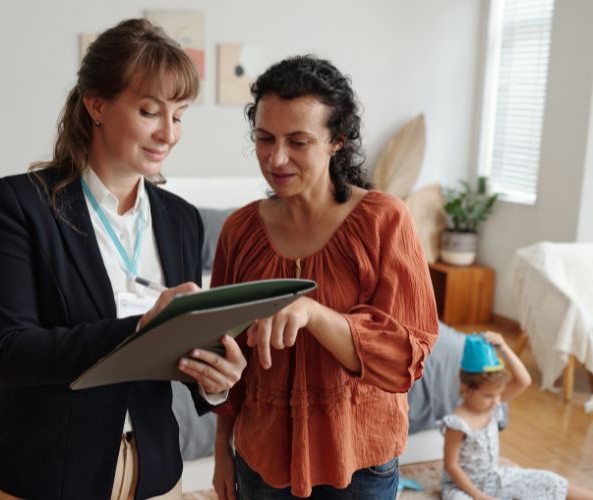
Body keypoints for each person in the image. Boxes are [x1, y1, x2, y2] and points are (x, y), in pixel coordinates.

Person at [0, 19, 246, 500]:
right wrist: (139, 330)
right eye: (149, 111)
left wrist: (214, 380)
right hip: (48, 472)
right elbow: (11, 352)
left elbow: (179, 355)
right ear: (96, 105)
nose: (168, 133)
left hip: (157, 474)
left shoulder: (181, 219)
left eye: (179, 116)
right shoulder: (19, 204)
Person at [211, 55, 439, 499]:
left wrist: (312, 313)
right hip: (259, 460)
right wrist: (223, 448)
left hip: (360, 462)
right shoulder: (239, 231)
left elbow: (403, 358)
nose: (276, 158)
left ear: (338, 140)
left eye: (298, 141)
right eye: (264, 138)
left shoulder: (385, 220)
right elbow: (226, 352)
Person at [442, 332, 593, 500]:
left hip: (495, 478)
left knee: (547, 480)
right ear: (466, 390)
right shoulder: (457, 422)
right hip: (463, 488)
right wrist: (478, 496)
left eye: (499, 395)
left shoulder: (492, 406)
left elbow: (524, 381)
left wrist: (504, 348)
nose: (496, 401)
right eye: (488, 396)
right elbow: (451, 465)